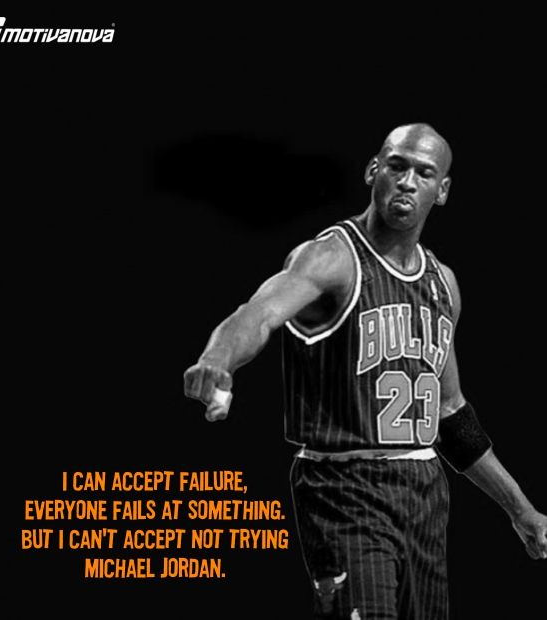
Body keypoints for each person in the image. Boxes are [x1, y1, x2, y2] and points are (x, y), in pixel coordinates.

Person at [183, 124, 547, 619]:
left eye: (424, 173)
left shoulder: (444, 284)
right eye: (397, 166)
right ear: (374, 170)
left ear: (442, 190)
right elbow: (259, 313)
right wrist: (217, 358)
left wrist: (520, 509)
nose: (407, 181)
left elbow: (450, 415)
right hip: (343, 486)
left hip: (423, 490)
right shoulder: (331, 256)